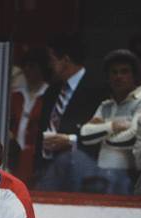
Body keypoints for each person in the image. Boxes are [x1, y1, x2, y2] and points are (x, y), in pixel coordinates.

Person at [35, 33, 104, 192]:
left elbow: (101, 133)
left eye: (52, 59)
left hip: (80, 174)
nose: (49, 65)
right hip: (47, 171)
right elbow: (41, 133)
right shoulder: (52, 92)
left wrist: (72, 141)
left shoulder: (98, 89)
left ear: (65, 60)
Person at [80, 49, 141, 195]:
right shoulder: (105, 105)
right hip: (101, 176)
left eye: (125, 72)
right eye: (114, 72)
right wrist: (112, 126)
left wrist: (101, 135)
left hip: (129, 178)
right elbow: (85, 135)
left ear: (134, 76)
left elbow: (134, 137)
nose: (119, 76)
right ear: (108, 77)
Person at [10, 48, 49, 183]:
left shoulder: (49, 95)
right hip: (12, 156)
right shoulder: (15, 95)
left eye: (32, 66)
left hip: (35, 157)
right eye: (25, 66)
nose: (27, 70)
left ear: (41, 69)